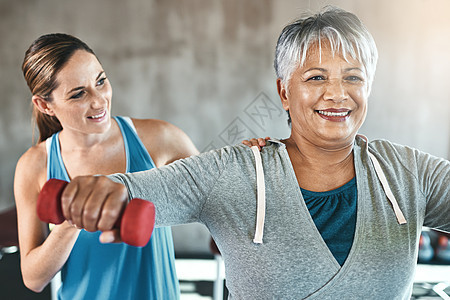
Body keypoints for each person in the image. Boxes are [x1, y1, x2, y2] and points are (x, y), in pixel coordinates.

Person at [39, 6, 450, 300]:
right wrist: (104, 192)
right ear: (284, 91)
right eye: (316, 77)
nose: (337, 93)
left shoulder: (410, 173)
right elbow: (137, 188)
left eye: (353, 77)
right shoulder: (234, 173)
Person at [15, 33, 203, 299]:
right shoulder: (34, 165)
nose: (99, 100)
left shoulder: (159, 138)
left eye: (100, 81)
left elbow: (217, 197)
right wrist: (72, 220)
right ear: (45, 105)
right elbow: (33, 278)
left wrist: (251, 155)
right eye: (78, 94)